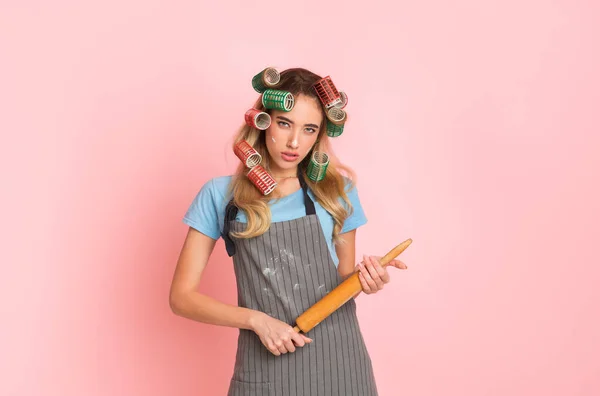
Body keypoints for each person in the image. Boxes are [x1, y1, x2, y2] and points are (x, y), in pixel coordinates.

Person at [169, 67, 408, 396]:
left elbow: (340, 285)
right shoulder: (220, 195)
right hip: (265, 367)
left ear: (320, 134)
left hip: (340, 366)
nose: (295, 142)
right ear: (262, 121)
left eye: (309, 129)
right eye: (284, 124)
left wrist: (366, 280)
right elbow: (182, 298)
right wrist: (256, 320)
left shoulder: (337, 192)